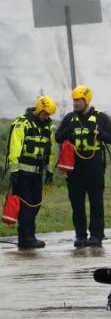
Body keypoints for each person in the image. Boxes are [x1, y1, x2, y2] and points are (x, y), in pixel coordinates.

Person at [54, 85, 111, 248]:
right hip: (75, 170)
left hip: (94, 168)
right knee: (77, 204)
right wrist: (66, 131)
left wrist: (99, 132)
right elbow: (57, 137)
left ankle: (97, 235)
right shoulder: (69, 119)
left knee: (96, 202)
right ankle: (81, 235)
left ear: (86, 100)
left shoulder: (100, 118)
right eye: (74, 100)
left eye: (78, 100)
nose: (75, 103)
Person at [5, 96, 56, 250]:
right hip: (22, 174)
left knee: (35, 205)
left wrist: (49, 172)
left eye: (48, 115)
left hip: (37, 175)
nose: (46, 117)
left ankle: (28, 237)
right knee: (26, 207)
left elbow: (51, 151)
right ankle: (26, 239)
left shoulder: (48, 128)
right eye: (45, 114)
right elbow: (15, 148)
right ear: (39, 109)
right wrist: (14, 172)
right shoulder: (23, 123)